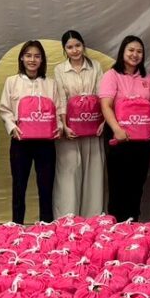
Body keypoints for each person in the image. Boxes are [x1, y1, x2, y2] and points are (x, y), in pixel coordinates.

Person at [0, 39, 63, 226]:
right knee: (19, 186)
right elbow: (4, 109)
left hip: (46, 143)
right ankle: (17, 226)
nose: (32, 60)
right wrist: (12, 127)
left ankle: (46, 227)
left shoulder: (50, 84)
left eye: (37, 56)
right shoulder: (12, 81)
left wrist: (59, 126)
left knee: (46, 187)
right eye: (28, 56)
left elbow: (58, 108)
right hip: (21, 141)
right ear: (21, 58)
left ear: (42, 60)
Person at [100, 35, 150, 220]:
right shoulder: (111, 75)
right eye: (131, 50)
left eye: (139, 51)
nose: (135, 54)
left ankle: (134, 224)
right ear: (122, 52)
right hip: (119, 138)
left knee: (137, 184)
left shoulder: (148, 78)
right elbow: (106, 105)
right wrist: (117, 129)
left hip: (143, 141)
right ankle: (116, 225)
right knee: (118, 184)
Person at [52, 29, 106, 217]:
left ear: (83, 46)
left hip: (93, 127)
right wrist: (64, 126)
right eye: (70, 47)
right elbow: (60, 99)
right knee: (69, 173)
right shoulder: (60, 69)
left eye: (77, 45)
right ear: (64, 49)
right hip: (70, 130)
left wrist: (103, 122)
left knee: (94, 172)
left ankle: (93, 218)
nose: (74, 50)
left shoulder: (96, 67)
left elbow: (102, 96)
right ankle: (67, 217)